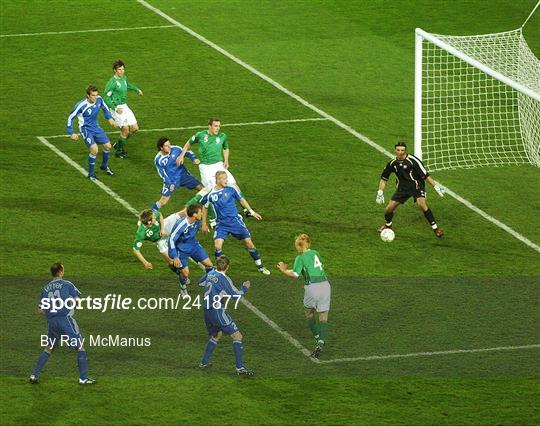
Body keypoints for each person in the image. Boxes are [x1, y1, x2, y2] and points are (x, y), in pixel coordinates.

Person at [30, 263, 95, 385]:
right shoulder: (67, 284)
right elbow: (77, 301)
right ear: (60, 272)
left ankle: (34, 375)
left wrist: (51, 313)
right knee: (80, 346)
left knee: (49, 347)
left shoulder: (45, 289)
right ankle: (83, 378)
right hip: (66, 320)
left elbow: (39, 310)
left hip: (52, 322)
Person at [177, 118, 248, 227]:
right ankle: (213, 219)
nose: (217, 128)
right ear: (209, 126)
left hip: (219, 165)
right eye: (215, 126)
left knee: (234, 185)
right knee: (211, 192)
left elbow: (226, 148)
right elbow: (188, 144)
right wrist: (181, 155)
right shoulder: (200, 135)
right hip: (205, 167)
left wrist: (226, 160)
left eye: (219, 126)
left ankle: (246, 209)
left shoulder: (222, 136)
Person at [200, 171, 270, 275]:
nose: (226, 180)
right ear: (218, 180)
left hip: (235, 222)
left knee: (249, 243)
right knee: (217, 246)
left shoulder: (231, 189)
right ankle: (221, 271)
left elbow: (241, 200)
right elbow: (205, 207)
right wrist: (203, 224)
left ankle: (260, 266)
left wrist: (252, 212)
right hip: (222, 224)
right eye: (224, 178)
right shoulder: (210, 194)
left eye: (226, 178)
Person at [376, 142, 446, 237]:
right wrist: (380, 192)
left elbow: (425, 175)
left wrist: (436, 186)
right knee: (389, 209)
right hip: (402, 189)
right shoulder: (392, 163)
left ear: (406, 151)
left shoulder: (413, 160)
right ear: (395, 151)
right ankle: (388, 225)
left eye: (402, 150)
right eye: (398, 150)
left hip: (416, 186)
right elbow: (384, 179)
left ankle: (436, 229)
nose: (400, 152)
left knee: (422, 205)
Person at [277, 234, 331, 358]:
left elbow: (295, 274)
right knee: (323, 317)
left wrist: (284, 270)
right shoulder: (316, 253)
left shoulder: (300, 258)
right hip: (325, 285)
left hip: (312, 288)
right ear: (309, 244)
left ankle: (317, 338)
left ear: (298, 246)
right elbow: (317, 266)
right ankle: (321, 343)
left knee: (309, 313)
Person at [199, 255, 254, 376]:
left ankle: (204, 362)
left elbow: (201, 282)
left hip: (206, 311)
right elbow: (236, 295)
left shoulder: (211, 272)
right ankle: (240, 368)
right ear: (227, 267)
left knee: (216, 335)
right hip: (217, 311)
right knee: (237, 336)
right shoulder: (225, 279)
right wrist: (245, 287)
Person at [66, 85, 116, 180]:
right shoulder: (81, 105)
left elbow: (105, 108)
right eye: (93, 95)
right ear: (88, 95)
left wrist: (109, 118)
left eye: (96, 95)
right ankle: (91, 173)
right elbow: (70, 117)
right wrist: (71, 132)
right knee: (94, 150)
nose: (95, 97)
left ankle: (104, 166)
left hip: (96, 127)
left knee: (108, 146)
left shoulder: (99, 99)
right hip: (85, 129)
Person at [151, 137, 208, 211]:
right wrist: (169, 183)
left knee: (203, 189)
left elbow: (187, 152)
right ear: (161, 148)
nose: (169, 147)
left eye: (169, 144)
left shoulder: (176, 149)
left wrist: (193, 158)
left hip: (183, 175)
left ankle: (206, 206)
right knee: (163, 201)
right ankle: (151, 212)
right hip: (172, 180)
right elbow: (163, 174)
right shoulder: (158, 159)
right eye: (166, 146)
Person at [168, 203, 213, 295]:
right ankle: (183, 287)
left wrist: (203, 227)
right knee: (185, 274)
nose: (202, 214)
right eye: (200, 212)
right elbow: (171, 240)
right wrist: (175, 257)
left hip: (194, 246)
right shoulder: (181, 225)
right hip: (181, 251)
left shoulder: (197, 221)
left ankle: (203, 281)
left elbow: (194, 229)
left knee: (210, 265)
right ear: (194, 214)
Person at [103, 59, 143, 158]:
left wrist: (137, 89)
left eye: (123, 69)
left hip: (124, 106)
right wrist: (115, 108)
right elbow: (106, 97)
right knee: (125, 130)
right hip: (117, 108)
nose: (122, 71)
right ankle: (119, 152)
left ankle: (118, 144)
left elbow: (128, 85)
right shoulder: (112, 83)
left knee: (135, 128)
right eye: (119, 69)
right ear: (115, 70)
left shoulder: (123, 78)